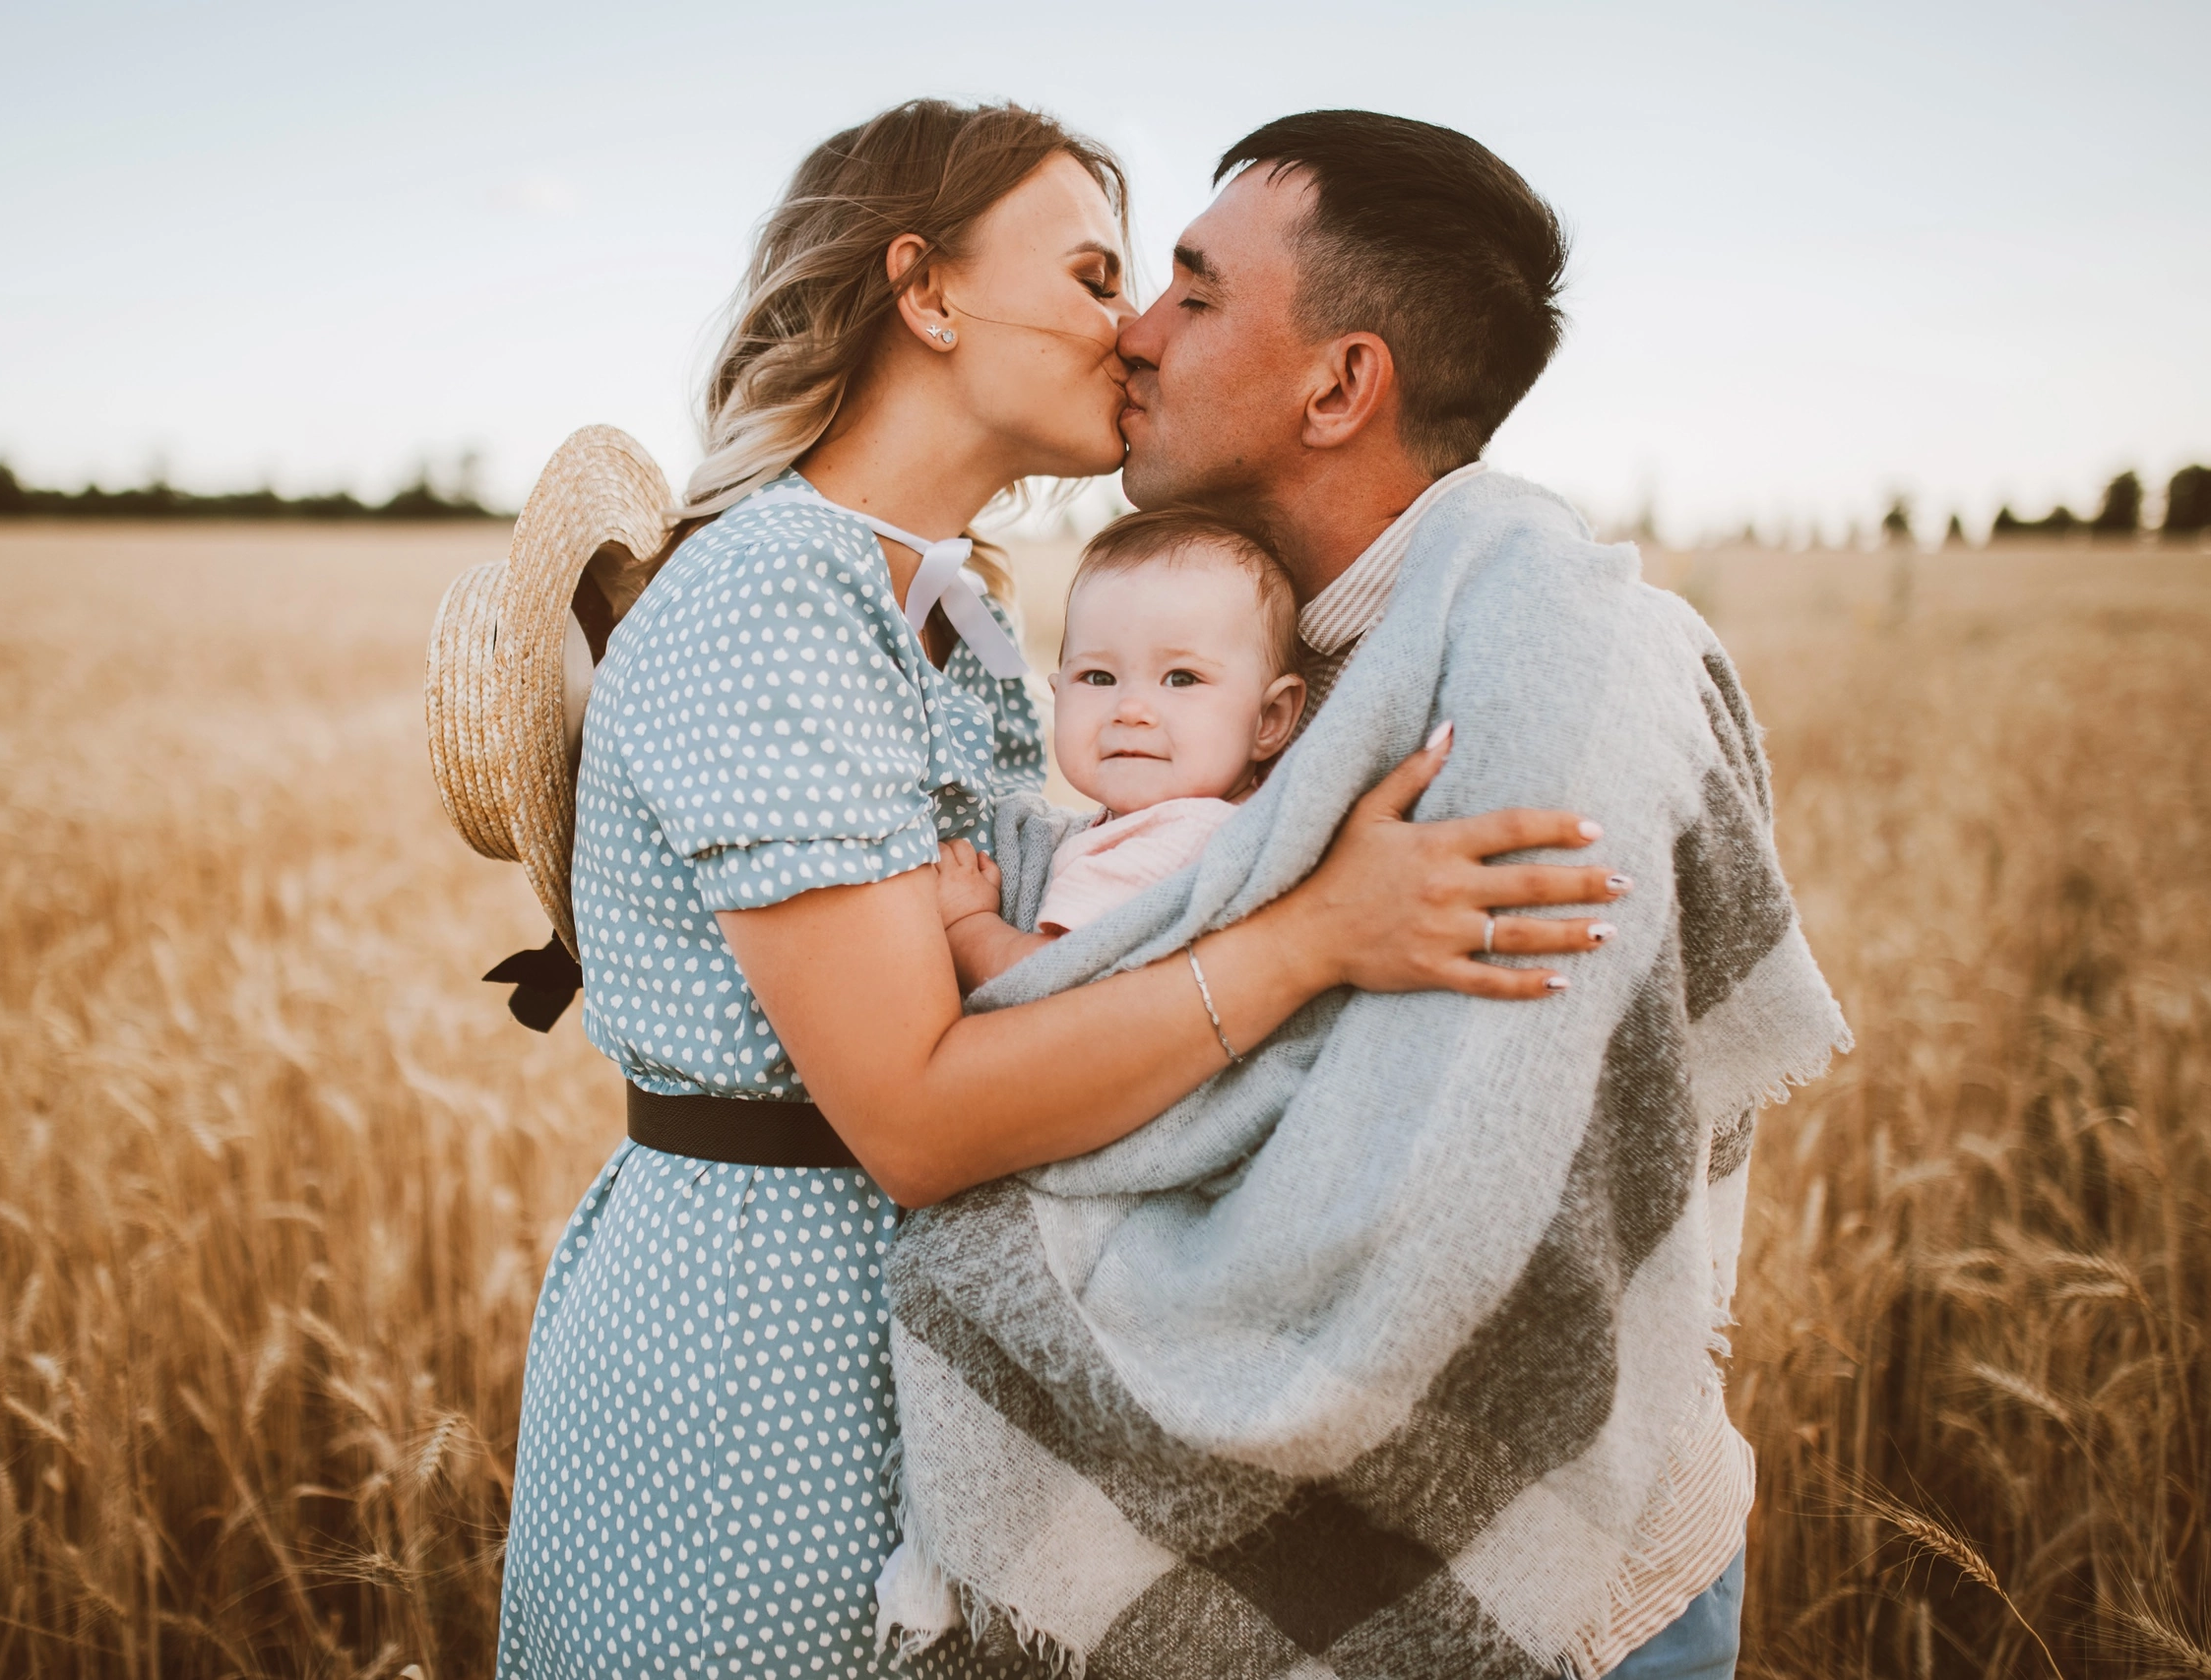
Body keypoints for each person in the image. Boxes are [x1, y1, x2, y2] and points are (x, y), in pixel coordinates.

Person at [491, 99, 1626, 1680]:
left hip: (932, 1354)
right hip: (758, 1364)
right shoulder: (772, 589)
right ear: (928, 292)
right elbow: (919, 1109)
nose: (1136, 329)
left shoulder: (958, 615)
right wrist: (1314, 936)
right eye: (1098, 275)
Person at [876, 111, 1813, 1680]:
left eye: (1190, 287)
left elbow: (1478, 1201)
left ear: (1338, 383)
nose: (1135, 331)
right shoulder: (1247, 667)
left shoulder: (1558, 679)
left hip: (1578, 1600)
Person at [933, 508, 1319, 989]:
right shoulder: (1229, 823)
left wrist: (965, 923)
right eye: (1098, 677)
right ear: (1057, 694)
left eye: (1181, 678)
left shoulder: (1170, 841)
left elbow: (1049, 990)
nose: (1131, 709)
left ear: (1271, 719)